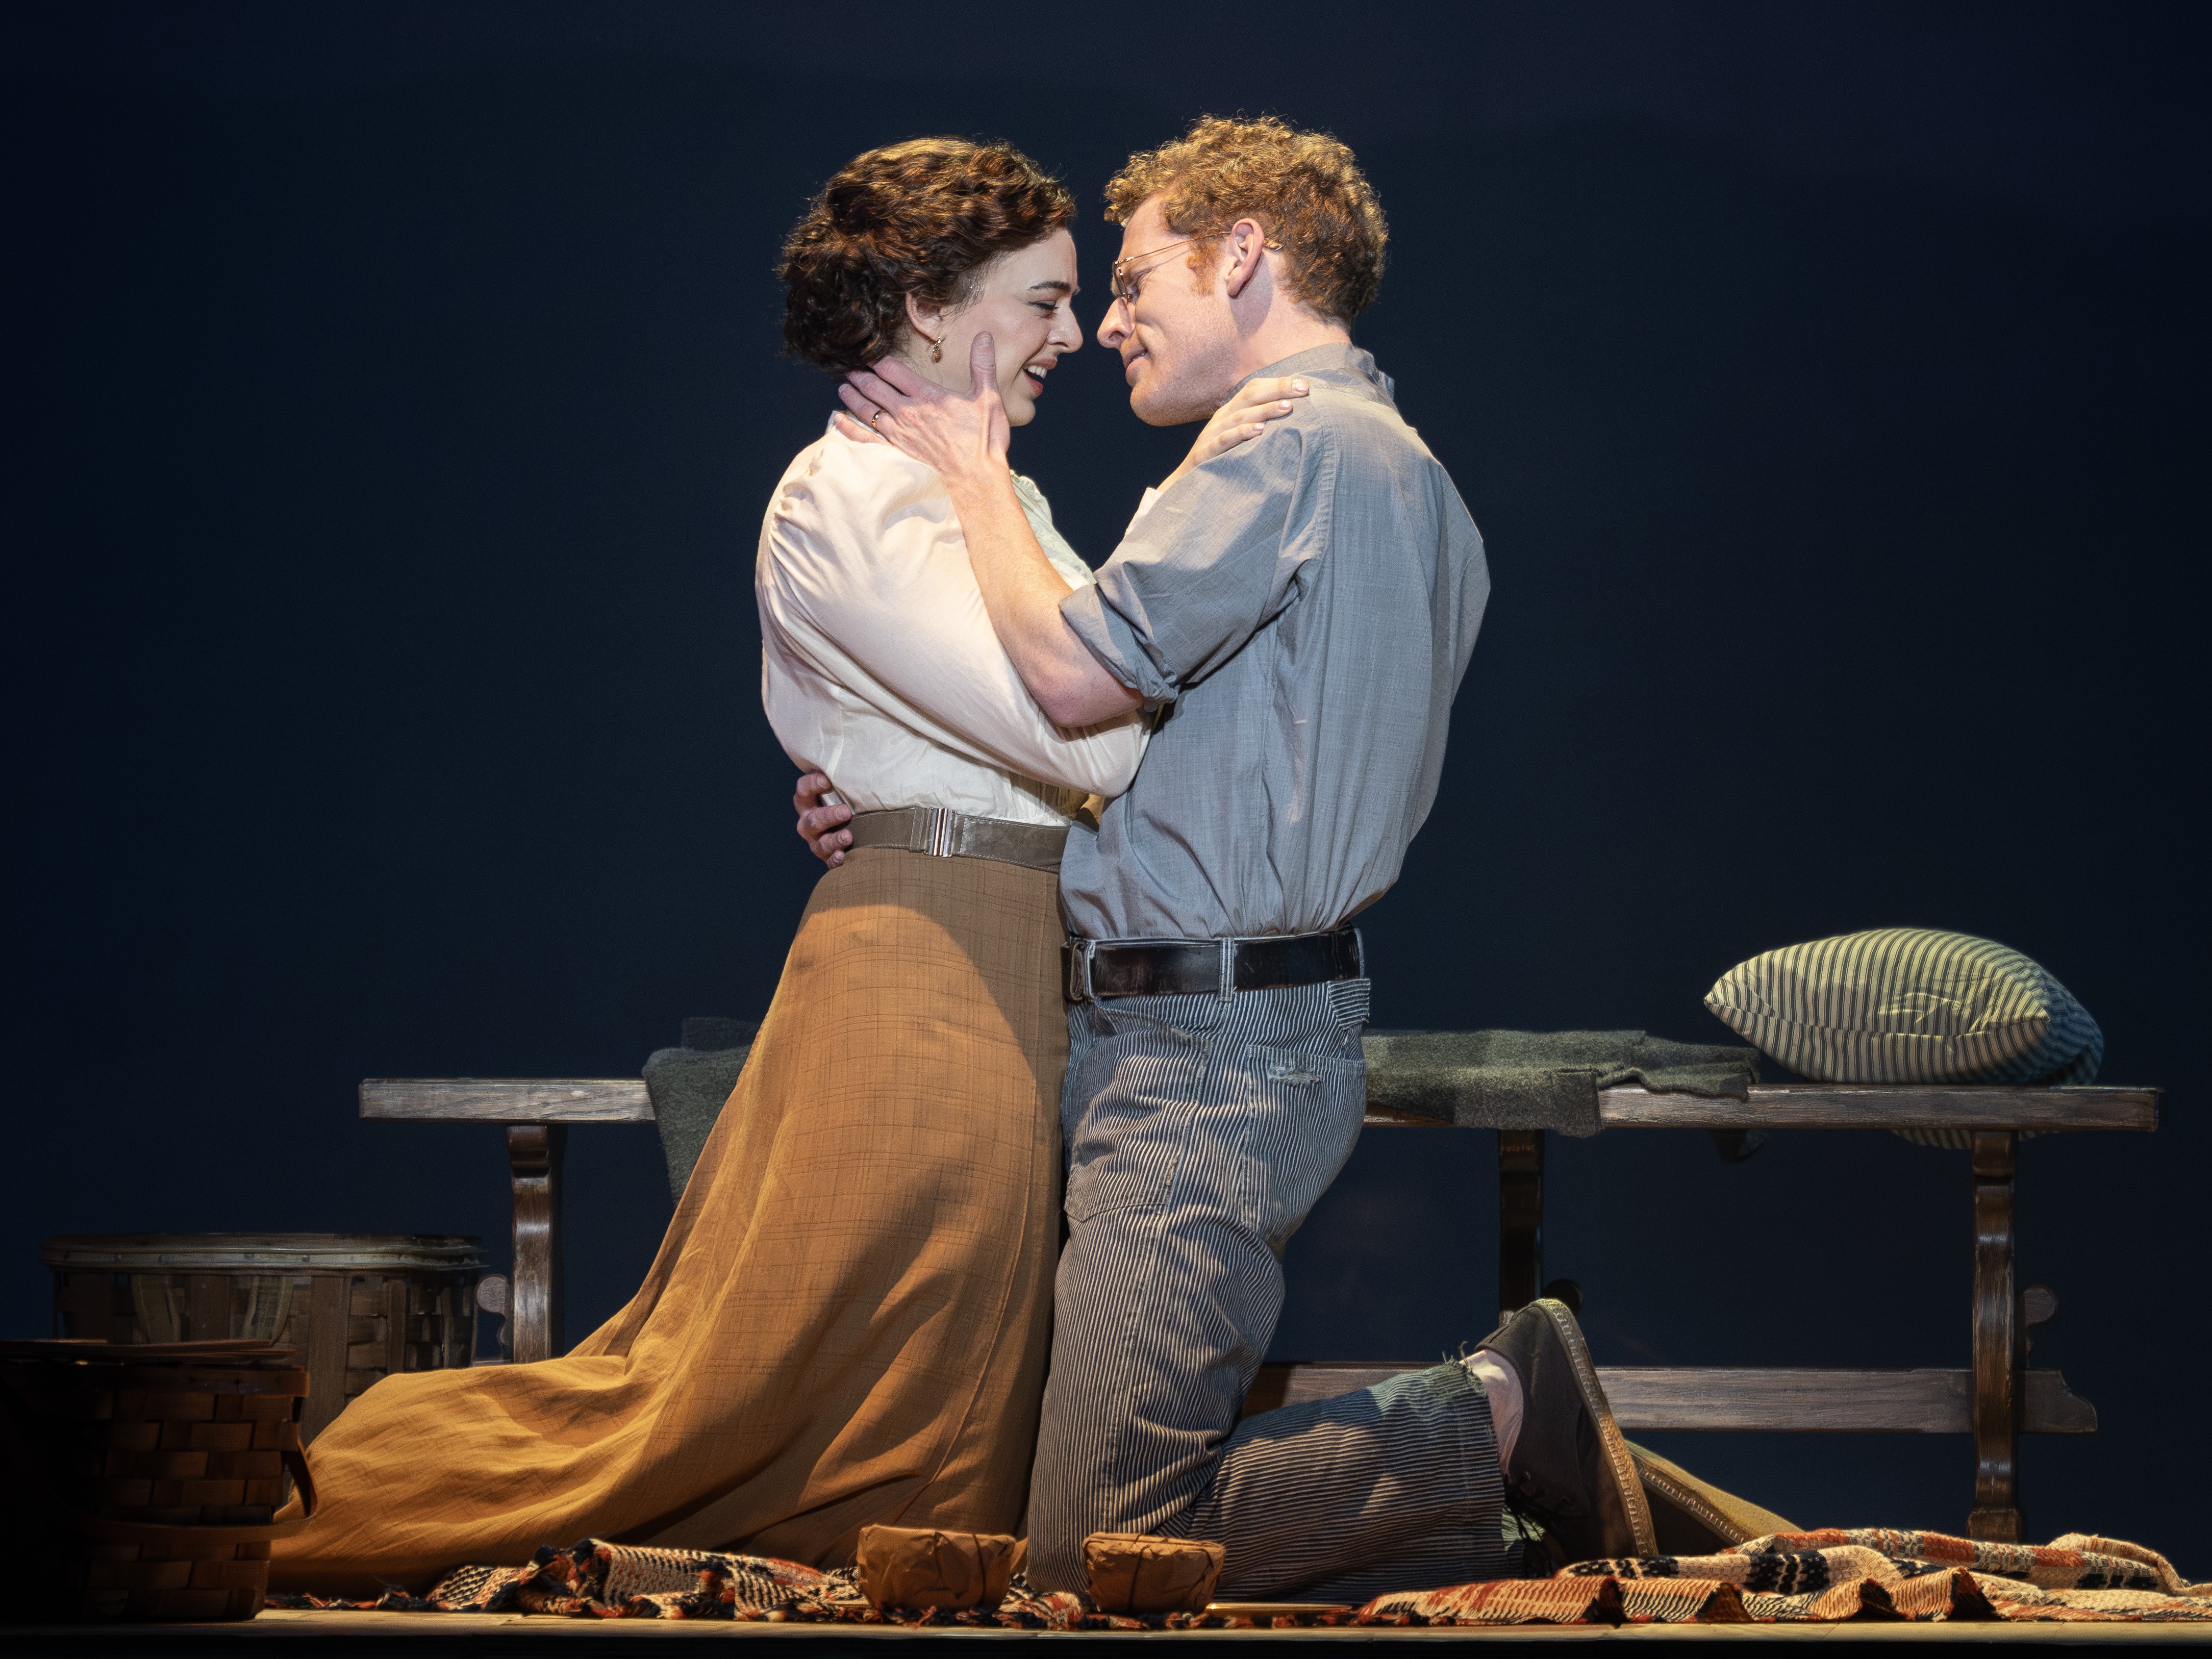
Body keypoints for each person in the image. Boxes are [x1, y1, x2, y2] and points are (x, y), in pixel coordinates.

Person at [269, 136, 1300, 1597]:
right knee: (731, 1399)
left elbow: (1084, 713)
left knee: (940, 1401)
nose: (1074, 334)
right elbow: (1101, 743)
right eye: (1044, 300)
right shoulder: (849, 500)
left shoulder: (984, 493)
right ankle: (315, 1497)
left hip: (1007, 956)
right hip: (925, 973)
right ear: (936, 309)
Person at [829, 115, 1705, 1602]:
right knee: (1095, 1520)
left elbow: (1075, 679)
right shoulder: (1411, 470)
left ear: (1245, 255)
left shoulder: (1286, 445)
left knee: (1091, 1548)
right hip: (1235, 1027)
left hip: (1204, 1045)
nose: (1107, 321)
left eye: (1135, 276)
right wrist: (901, 792)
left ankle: (1496, 1415)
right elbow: (1183, 766)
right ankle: (1494, 1439)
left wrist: (970, 466)